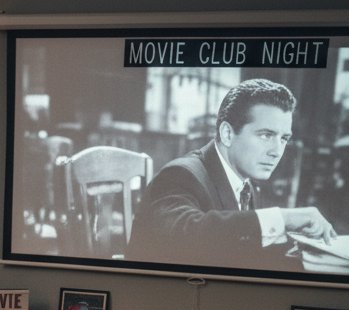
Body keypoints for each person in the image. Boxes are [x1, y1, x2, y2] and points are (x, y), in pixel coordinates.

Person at [126, 78, 337, 268]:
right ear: (227, 133)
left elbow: (238, 247)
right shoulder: (180, 175)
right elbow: (188, 235)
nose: (277, 151)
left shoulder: (245, 184)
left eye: (283, 138)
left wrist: (303, 251)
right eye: (266, 135)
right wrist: (282, 218)